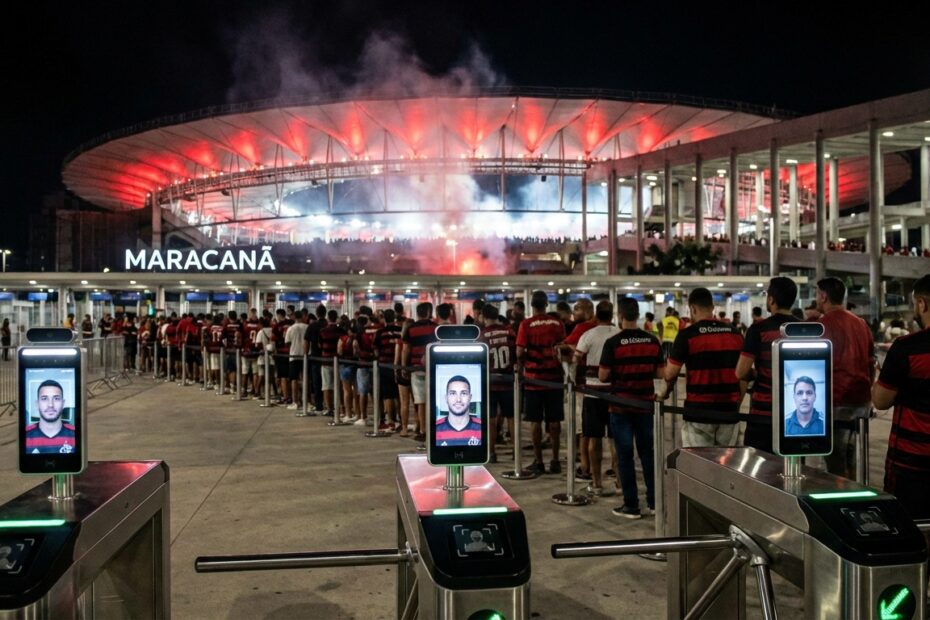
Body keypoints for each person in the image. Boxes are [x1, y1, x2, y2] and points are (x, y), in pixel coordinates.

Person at [600, 297, 664, 519]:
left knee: (625, 456)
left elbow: (603, 375)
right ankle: (655, 502)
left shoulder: (613, 343)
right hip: (645, 405)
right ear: (637, 316)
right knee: (648, 454)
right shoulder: (652, 340)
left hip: (621, 408)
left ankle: (631, 505)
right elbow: (661, 373)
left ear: (620, 316)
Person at [873, 274, 930, 518]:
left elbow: (881, 400)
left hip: (912, 463)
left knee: (911, 531)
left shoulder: (908, 348)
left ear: (922, 304)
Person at [662, 288, 745, 447]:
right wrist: (736, 403)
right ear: (713, 307)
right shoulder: (735, 334)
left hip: (698, 413)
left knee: (698, 468)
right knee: (728, 466)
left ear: (692, 308)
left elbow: (670, 373)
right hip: (728, 411)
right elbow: (744, 374)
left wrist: (663, 391)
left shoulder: (687, 335)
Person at [816, 277, 874, 478]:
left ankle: (837, 501)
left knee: (835, 462)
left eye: (817, 294)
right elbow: (870, 362)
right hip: (861, 400)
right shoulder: (861, 324)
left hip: (835, 401)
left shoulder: (822, 325)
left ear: (823, 297)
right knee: (856, 457)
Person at [735, 277, 798, 452]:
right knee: (791, 467)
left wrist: (755, 373)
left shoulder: (758, 330)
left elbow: (741, 372)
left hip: (763, 415)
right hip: (795, 413)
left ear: (771, 299)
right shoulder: (804, 328)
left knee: (759, 468)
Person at [516, 290, 565, 474]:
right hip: (554, 379)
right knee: (554, 422)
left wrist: (522, 369)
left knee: (535, 421)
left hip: (534, 380)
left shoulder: (526, 324)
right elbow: (562, 349)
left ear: (532, 305)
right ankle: (555, 460)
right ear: (546, 304)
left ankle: (539, 461)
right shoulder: (557, 323)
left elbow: (520, 352)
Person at [573, 300, 620, 496]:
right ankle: (619, 482)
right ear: (612, 315)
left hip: (593, 392)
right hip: (615, 393)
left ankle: (597, 482)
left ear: (596, 315)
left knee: (593, 438)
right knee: (615, 439)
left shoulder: (588, 335)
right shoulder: (619, 333)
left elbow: (576, 359)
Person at [481, 304, 516, 462]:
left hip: (490, 382)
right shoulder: (509, 332)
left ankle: (491, 452)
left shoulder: (482, 335)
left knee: (491, 418)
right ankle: (516, 451)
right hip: (508, 380)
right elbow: (517, 353)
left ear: (484, 316)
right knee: (511, 417)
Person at [402, 302, 438, 443]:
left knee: (420, 401)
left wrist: (405, 367)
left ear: (417, 313)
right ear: (429, 312)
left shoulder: (411, 329)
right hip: (433, 368)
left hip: (416, 368)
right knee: (433, 400)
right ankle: (433, 428)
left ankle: (423, 430)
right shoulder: (435, 328)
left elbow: (406, 349)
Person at [24, 380, 76, 454]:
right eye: (44, 398)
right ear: (37, 403)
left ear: (63, 403)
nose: (50, 405)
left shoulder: (75, 434)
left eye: (56, 398)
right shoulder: (25, 435)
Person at [435, 375, 482, 446]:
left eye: (463, 393)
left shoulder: (482, 427)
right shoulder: (435, 428)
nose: (458, 399)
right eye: (453, 393)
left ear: (470, 397)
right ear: (446, 398)